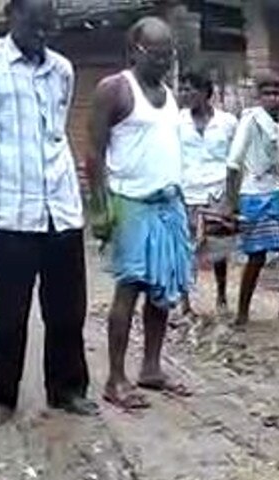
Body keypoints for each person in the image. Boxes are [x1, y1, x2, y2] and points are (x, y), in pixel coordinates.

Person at [0, 0, 96, 427]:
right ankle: (2, 397)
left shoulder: (63, 70)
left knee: (67, 311)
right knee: (8, 313)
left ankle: (67, 389)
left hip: (60, 209)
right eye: (34, 24)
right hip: (5, 212)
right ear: (12, 14)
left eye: (49, 27)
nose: (42, 34)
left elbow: (55, 131)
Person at [88, 17, 192, 411]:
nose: (164, 61)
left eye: (169, 54)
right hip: (131, 204)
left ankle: (151, 368)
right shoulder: (114, 89)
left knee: (162, 292)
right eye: (156, 53)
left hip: (168, 205)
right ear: (134, 50)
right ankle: (115, 378)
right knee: (128, 291)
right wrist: (99, 210)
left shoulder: (168, 94)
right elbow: (94, 152)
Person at [223, 71, 279, 327]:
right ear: (259, 97)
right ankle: (243, 312)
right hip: (254, 194)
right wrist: (230, 201)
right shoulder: (251, 120)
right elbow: (234, 162)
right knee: (256, 256)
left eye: (277, 93)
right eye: (267, 93)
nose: (273, 98)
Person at [177, 67, 236, 315]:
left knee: (219, 249)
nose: (186, 94)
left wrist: (232, 199)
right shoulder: (177, 121)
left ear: (205, 92)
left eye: (191, 89)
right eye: (183, 89)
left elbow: (235, 161)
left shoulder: (227, 122)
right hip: (186, 190)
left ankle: (221, 297)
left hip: (217, 191)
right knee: (185, 248)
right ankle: (185, 302)